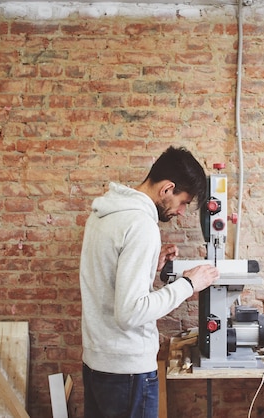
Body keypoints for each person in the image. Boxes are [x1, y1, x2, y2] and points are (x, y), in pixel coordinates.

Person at [80, 146, 220, 418]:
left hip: (97, 363)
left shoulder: (102, 215)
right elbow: (130, 312)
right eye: (183, 202)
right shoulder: (141, 225)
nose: (181, 212)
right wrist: (189, 284)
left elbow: (105, 279)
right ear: (167, 189)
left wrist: (148, 267)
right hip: (127, 373)